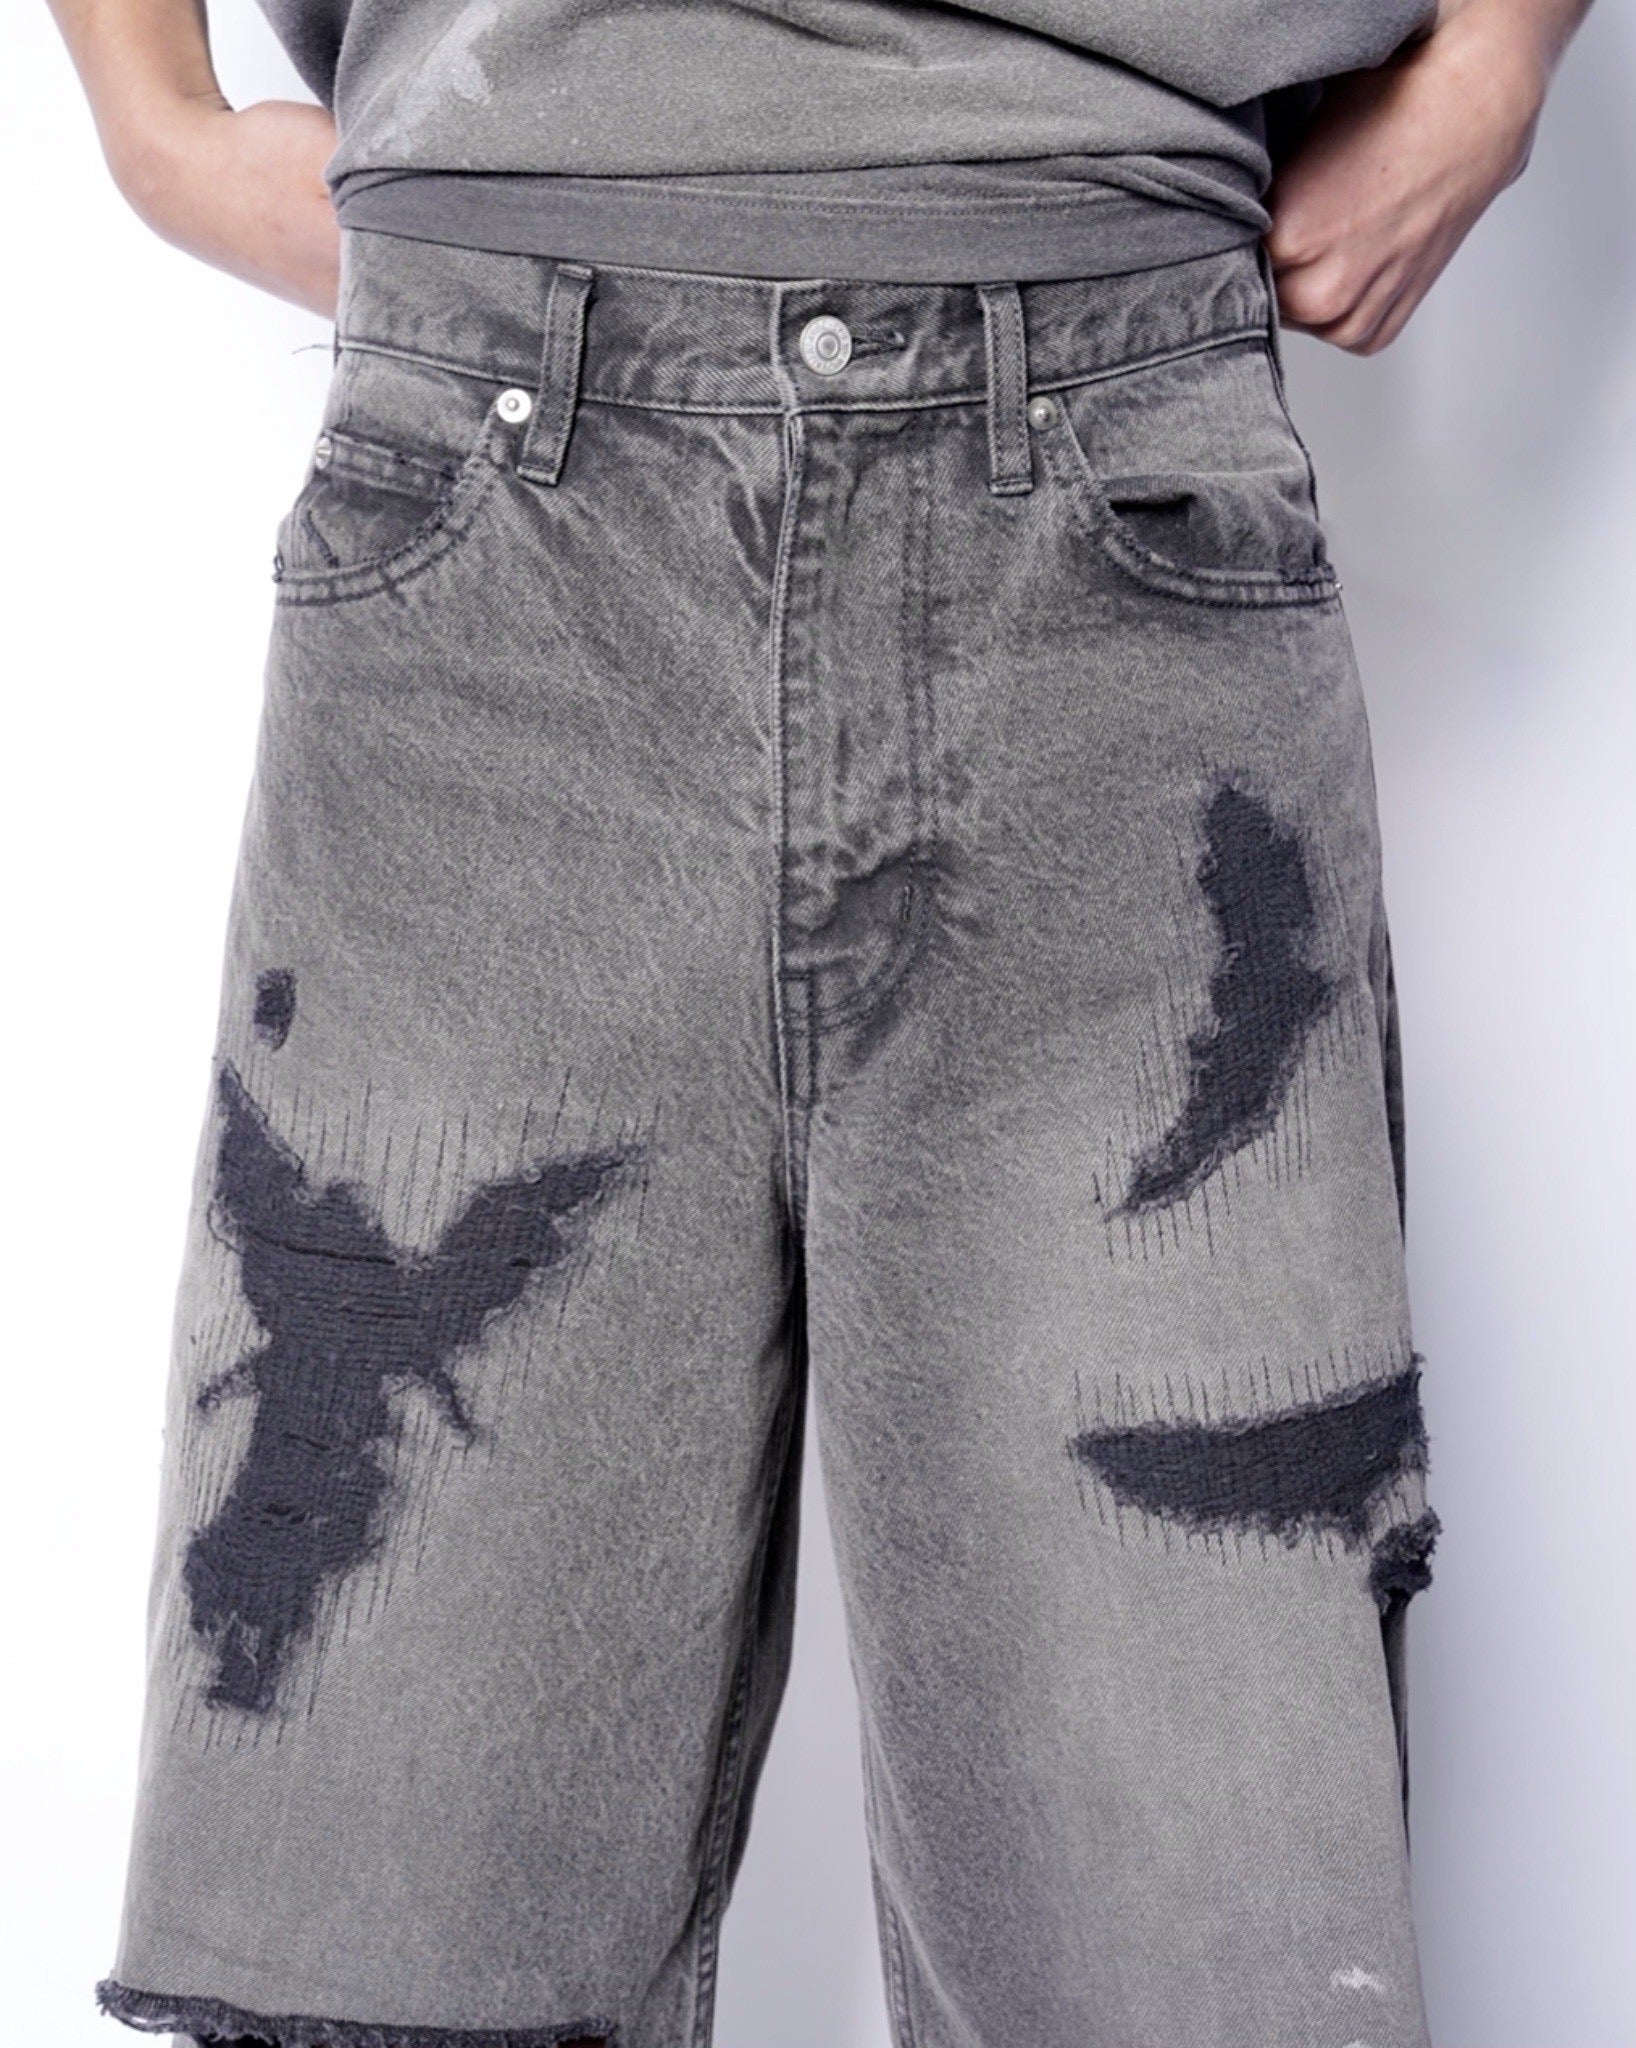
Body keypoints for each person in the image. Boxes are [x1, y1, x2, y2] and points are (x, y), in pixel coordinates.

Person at [52, 0, 1587, 2044]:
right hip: (494, 473)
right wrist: (151, 126)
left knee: (1200, 1928)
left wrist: (1498, 61)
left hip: (1114, 462)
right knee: (390, 1887)